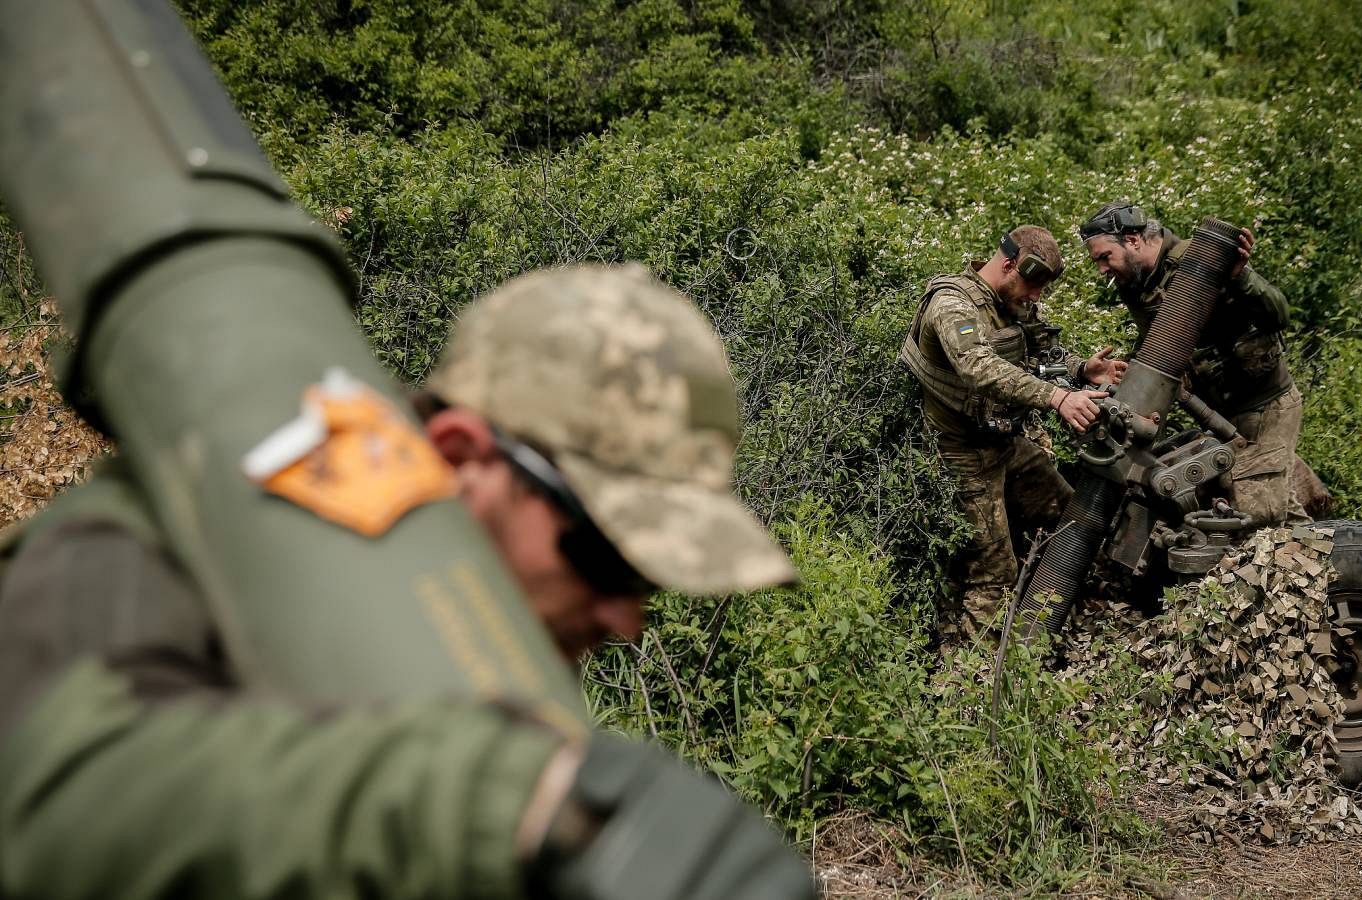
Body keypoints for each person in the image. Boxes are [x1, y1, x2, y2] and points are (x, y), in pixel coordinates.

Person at [0, 264, 814, 898]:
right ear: (462, 460)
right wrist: (518, 806)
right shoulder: (171, 529)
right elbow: (50, 803)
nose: (626, 620)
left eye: (648, 579)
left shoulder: (488, 638)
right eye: (604, 559)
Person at [900, 225, 1123, 645]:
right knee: (993, 576)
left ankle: (1065, 625)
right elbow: (978, 367)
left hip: (1005, 443)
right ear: (1007, 265)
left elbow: (1034, 351)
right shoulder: (952, 305)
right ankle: (970, 685)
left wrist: (1080, 370)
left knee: (1069, 518)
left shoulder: (1009, 302)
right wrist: (1058, 398)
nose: (1036, 297)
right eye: (1032, 285)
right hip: (963, 456)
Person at [1078, 201, 1311, 527]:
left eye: (1105, 257)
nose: (1102, 269)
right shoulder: (1137, 283)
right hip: (1217, 414)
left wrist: (1242, 277)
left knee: (1260, 518)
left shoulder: (1200, 259)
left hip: (1263, 407)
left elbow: (1279, 314)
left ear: (1132, 240)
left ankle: (1334, 565)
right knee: (1277, 510)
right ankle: (1336, 568)